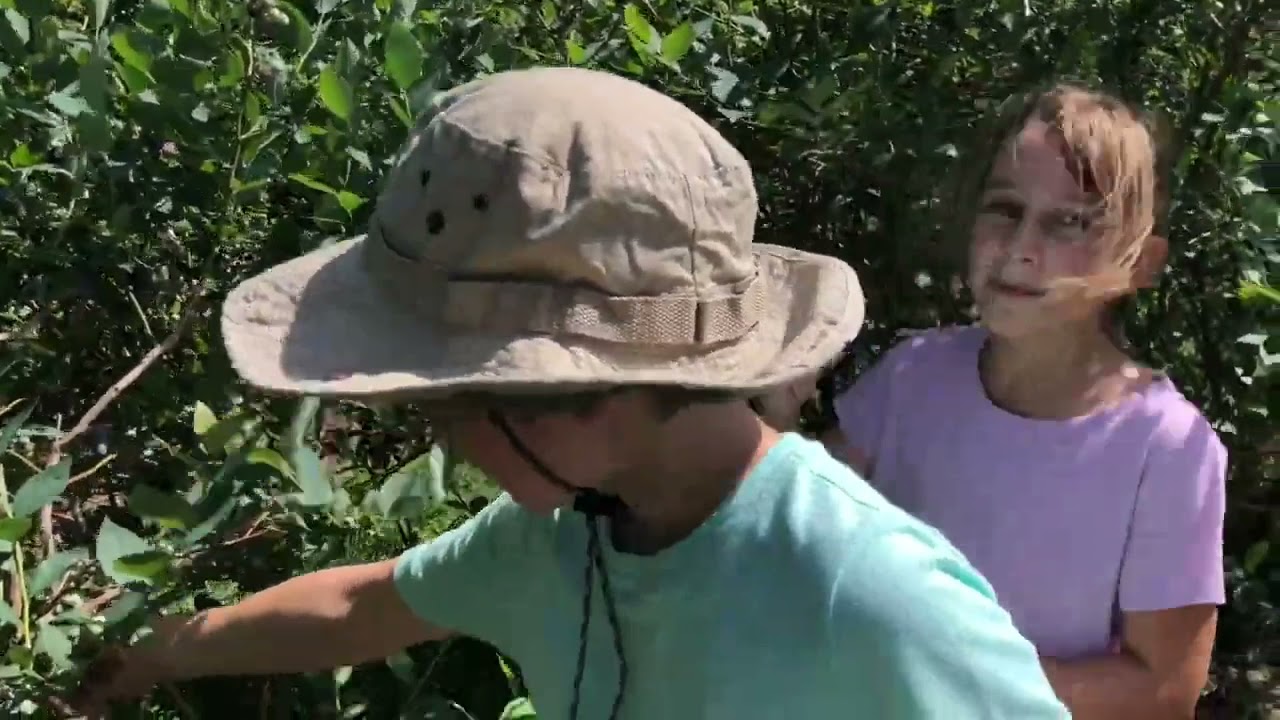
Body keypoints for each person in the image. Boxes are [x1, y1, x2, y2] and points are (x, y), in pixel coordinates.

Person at [67, 67, 1070, 720]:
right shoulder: (562, 536)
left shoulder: (868, 588)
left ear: (584, 398)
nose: (441, 445)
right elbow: (359, 605)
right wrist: (151, 657)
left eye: (447, 412)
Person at [807, 85, 1226, 719]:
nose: (1022, 245)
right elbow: (798, 521)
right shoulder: (912, 375)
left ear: (1141, 263)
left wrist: (946, 667)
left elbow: (1164, 692)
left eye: (1071, 221)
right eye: (1005, 209)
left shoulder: (1168, 447)